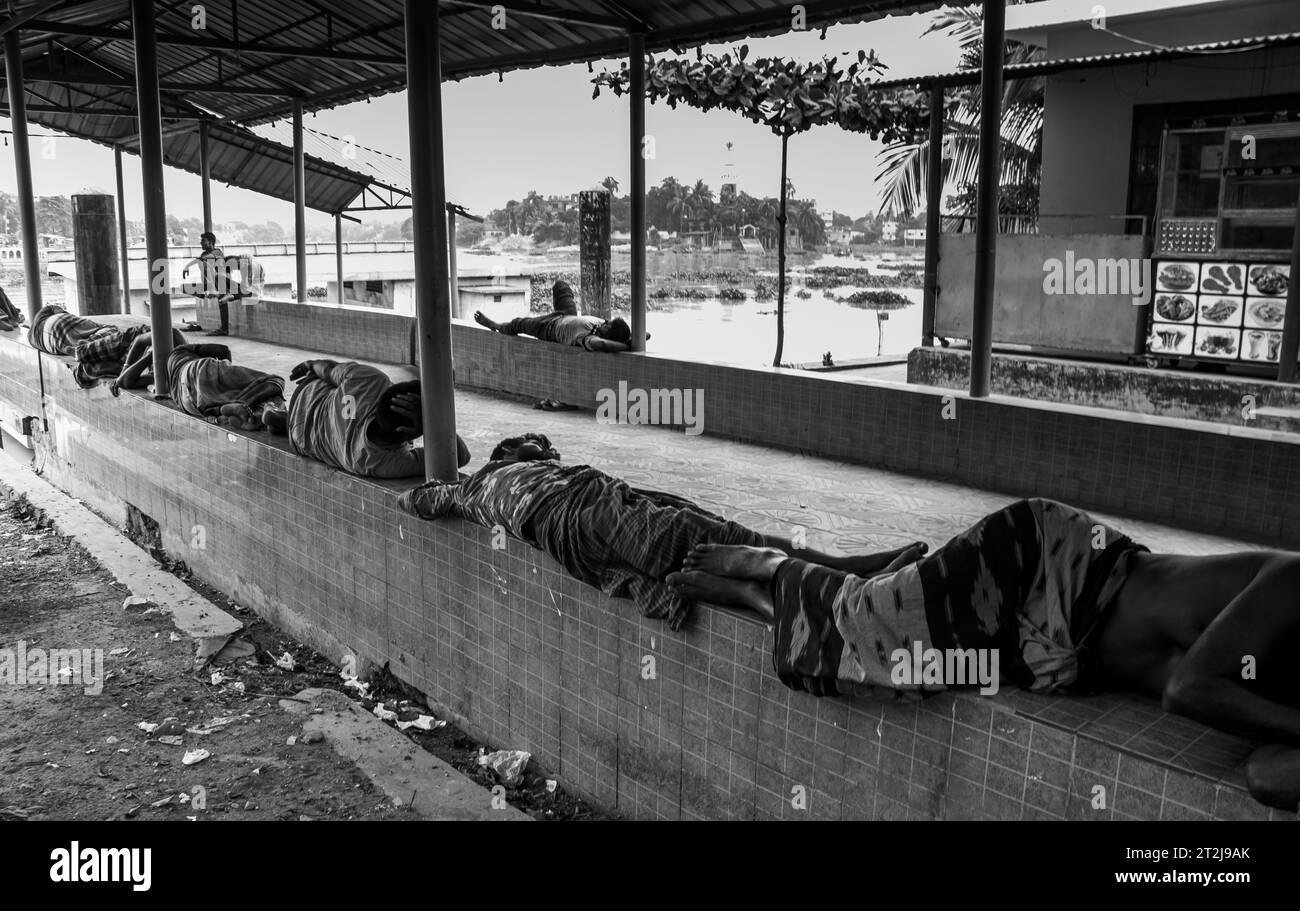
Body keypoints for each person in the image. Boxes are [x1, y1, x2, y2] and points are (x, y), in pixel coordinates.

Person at [665, 497, 1300, 810]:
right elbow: (1189, 688)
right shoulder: (1293, 580)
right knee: (873, 620)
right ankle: (775, 564)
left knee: (903, 673)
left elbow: (1266, 775)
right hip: (1050, 570)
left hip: (1049, 658)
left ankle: (772, 600)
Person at [397, 432, 926, 631]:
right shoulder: (479, 488)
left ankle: (843, 573)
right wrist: (413, 489)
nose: (540, 448)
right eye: (527, 447)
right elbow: (425, 498)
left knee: (716, 533)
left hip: (592, 504)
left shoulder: (539, 468)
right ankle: (834, 587)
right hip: (579, 516)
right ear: (507, 456)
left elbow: (546, 448)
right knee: (687, 538)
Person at [284, 359, 470, 478]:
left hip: (308, 391)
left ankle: (277, 414)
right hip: (298, 435)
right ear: (409, 434)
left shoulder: (371, 380)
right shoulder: (377, 462)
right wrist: (432, 424)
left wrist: (310, 364)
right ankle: (279, 418)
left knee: (337, 390)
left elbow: (328, 369)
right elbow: (460, 455)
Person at [113, 338, 285, 431]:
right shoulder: (179, 351)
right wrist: (227, 372)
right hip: (197, 369)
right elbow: (223, 350)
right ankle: (247, 404)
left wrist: (150, 356)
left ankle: (250, 414)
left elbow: (125, 382)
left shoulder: (160, 378)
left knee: (258, 403)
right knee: (274, 381)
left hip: (189, 403)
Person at [473, 279, 638, 352]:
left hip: (548, 327)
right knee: (561, 286)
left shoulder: (589, 339)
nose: (606, 322)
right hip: (565, 315)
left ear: (608, 334)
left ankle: (495, 325)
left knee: (519, 323)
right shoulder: (603, 327)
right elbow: (645, 334)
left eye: (608, 325)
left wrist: (626, 347)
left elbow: (602, 345)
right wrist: (629, 341)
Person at [182, 232, 230, 336]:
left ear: (211, 242)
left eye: (203, 241)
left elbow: (205, 259)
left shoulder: (217, 252)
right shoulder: (203, 255)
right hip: (210, 283)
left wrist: (187, 266)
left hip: (222, 282)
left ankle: (224, 329)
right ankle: (207, 294)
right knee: (184, 288)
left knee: (222, 299)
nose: (201, 243)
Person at [27, 304, 110, 356]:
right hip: (58, 322)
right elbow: (61, 312)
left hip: (51, 345)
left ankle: (80, 348)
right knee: (109, 329)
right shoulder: (49, 310)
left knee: (75, 338)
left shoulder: (31, 338)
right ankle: (87, 344)